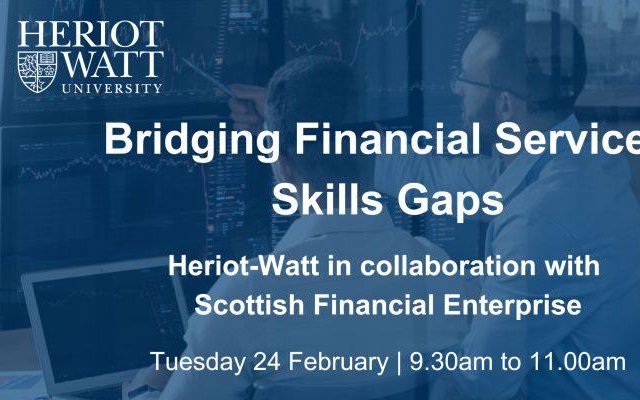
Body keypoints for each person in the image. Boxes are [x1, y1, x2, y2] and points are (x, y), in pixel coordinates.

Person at [225, 3, 640, 399]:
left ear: (505, 105)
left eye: (467, 79)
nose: (456, 89)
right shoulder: (570, 163)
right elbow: (432, 177)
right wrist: (293, 122)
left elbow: (479, 384)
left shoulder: (543, 217)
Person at [124, 56, 474, 400]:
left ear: (283, 166)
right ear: (377, 147)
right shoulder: (442, 275)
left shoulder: (245, 299)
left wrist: (146, 389)